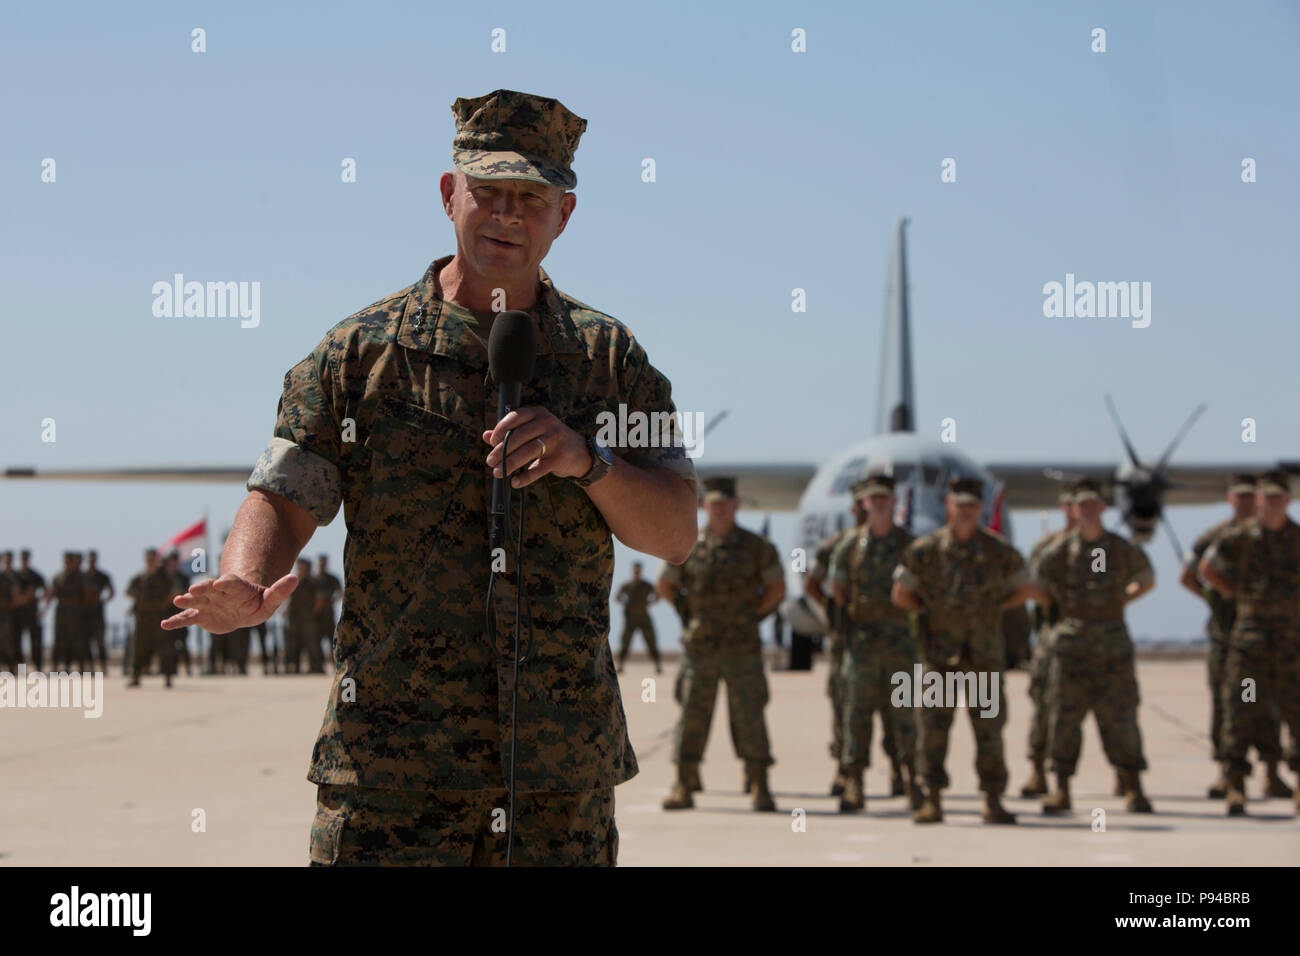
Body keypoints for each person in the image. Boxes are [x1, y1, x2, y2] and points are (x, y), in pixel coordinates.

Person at [162, 89, 696, 866]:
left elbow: (677, 532)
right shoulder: (359, 354)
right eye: (488, 193)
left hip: (554, 784)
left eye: (531, 199)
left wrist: (591, 462)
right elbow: (283, 493)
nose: (507, 215)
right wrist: (245, 577)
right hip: (391, 778)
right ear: (451, 197)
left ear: (563, 215)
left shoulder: (610, 362)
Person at [892, 477, 1033, 825]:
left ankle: (993, 800)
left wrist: (995, 608)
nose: (967, 511)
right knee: (933, 732)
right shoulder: (925, 551)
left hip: (983, 658)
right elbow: (900, 593)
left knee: (989, 733)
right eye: (960, 505)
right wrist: (927, 611)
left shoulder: (997, 551)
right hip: (939, 658)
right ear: (948, 507)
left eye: (972, 505)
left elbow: (1025, 588)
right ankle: (933, 800)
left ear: (980, 508)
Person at [658, 476, 784, 813]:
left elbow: (777, 589)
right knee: (692, 716)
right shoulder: (688, 545)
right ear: (705, 506)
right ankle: (683, 783)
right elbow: (666, 585)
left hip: (742, 647)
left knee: (750, 716)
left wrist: (751, 617)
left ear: (736, 506)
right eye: (714, 504)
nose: (721, 509)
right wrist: (688, 614)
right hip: (701, 647)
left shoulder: (757, 547)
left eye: (726, 503)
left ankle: (759, 783)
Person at [1032, 479, 1155, 814]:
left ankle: (1133, 786)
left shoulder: (1118, 548)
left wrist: (1121, 601)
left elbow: (1147, 577)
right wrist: (1062, 610)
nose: (1087, 511)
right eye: (1081, 506)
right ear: (1074, 510)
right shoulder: (1059, 551)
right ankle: (1061, 788)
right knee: (1064, 719)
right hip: (1071, 645)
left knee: (1121, 717)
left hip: (1112, 645)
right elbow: (1036, 584)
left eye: (1093, 506)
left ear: (1102, 509)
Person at [1182, 474, 1290, 800]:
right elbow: (1191, 576)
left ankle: (1272, 770)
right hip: (1227, 635)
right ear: (1230, 499)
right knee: (1230, 703)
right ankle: (1228, 773)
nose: (1244, 502)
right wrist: (1222, 596)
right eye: (1239, 497)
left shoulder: (1281, 537)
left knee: (1268, 703)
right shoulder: (1217, 538)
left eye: (1249, 496)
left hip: (1270, 636)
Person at [827, 473, 921, 812]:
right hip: (862, 646)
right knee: (857, 716)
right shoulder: (849, 547)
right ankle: (854, 782)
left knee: (906, 717)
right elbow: (837, 590)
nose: (879, 504)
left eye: (885, 499)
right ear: (864, 504)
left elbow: (922, 593)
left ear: (894, 503)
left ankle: (914, 778)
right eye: (873, 499)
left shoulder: (911, 546)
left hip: (901, 646)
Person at [128, 549, 176, 688]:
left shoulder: (164, 576)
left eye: (152, 558)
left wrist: (163, 604)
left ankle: (167, 677)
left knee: (165, 648)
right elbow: (128, 590)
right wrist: (139, 600)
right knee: (139, 648)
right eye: (148, 558)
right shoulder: (140, 577)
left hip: (159, 617)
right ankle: (136, 676)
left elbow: (175, 591)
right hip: (143, 618)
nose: (150, 561)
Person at [47, 551, 91, 672]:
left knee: (78, 640)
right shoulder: (58, 577)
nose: (68, 563)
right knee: (60, 640)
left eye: (70, 561)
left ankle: (80, 667)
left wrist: (81, 607)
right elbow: (51, 593)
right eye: (66, 561)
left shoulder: (81, 577)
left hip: (76, 611)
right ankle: (58, 667)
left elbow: (86, 594)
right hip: (61, 610)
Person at [615, 562, 660, 674]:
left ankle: (658, 665)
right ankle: (620, 665)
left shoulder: (646, 585)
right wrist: (624, 602)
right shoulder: (627, 585)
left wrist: (650, 602)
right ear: (632, 571)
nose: (637, 573)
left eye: (638, 571)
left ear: (641, 571)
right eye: (635, 571)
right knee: (625, 642)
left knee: (651, 641)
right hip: (630, 619)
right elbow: (617, 597)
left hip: (644, 618)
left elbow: (657, 594)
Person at [13, 550, 46, 670]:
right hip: (17, 614)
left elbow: (47, 591)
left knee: (36, 643)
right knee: (17, 643)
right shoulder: (14, 575)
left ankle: (38, 669)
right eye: (22, 558)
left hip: (32, 613)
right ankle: (20, 670)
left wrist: (42, 609)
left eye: (25, 558)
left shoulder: (35, 576)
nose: (24, 561)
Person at [84, 550, 115, 672]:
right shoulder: (83, 576)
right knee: (86, 641)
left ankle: (103, 667)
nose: (91, 562)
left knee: (100, 641)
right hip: (85, 613)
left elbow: (111, 592)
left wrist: (102, 600)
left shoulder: (102, 576)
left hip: (98, 612)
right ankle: (89, 667)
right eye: (89, 560)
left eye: (93, 560)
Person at [284, 558, 317, 674]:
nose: (300, 569)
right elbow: (290, 600)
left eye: (302, 566)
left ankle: (315, 666)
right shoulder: (295, 581)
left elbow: (318, 600)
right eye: (299, 566)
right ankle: (295, 667)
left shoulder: (313, 582)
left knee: (311, 643)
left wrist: (314, 613)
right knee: (294, 643)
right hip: (295, 618)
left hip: (308, 618)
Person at [311, 554, 342, 668]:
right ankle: (318, 666)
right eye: (320, 564)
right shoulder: (313, 580)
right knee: (315, 642)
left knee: (332, 642)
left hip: (329, 616)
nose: (322, 566)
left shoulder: (332, 579)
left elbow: (340, 592)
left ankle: (335, 666)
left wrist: (332, 600)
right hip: (316, 616)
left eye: (324, 564)